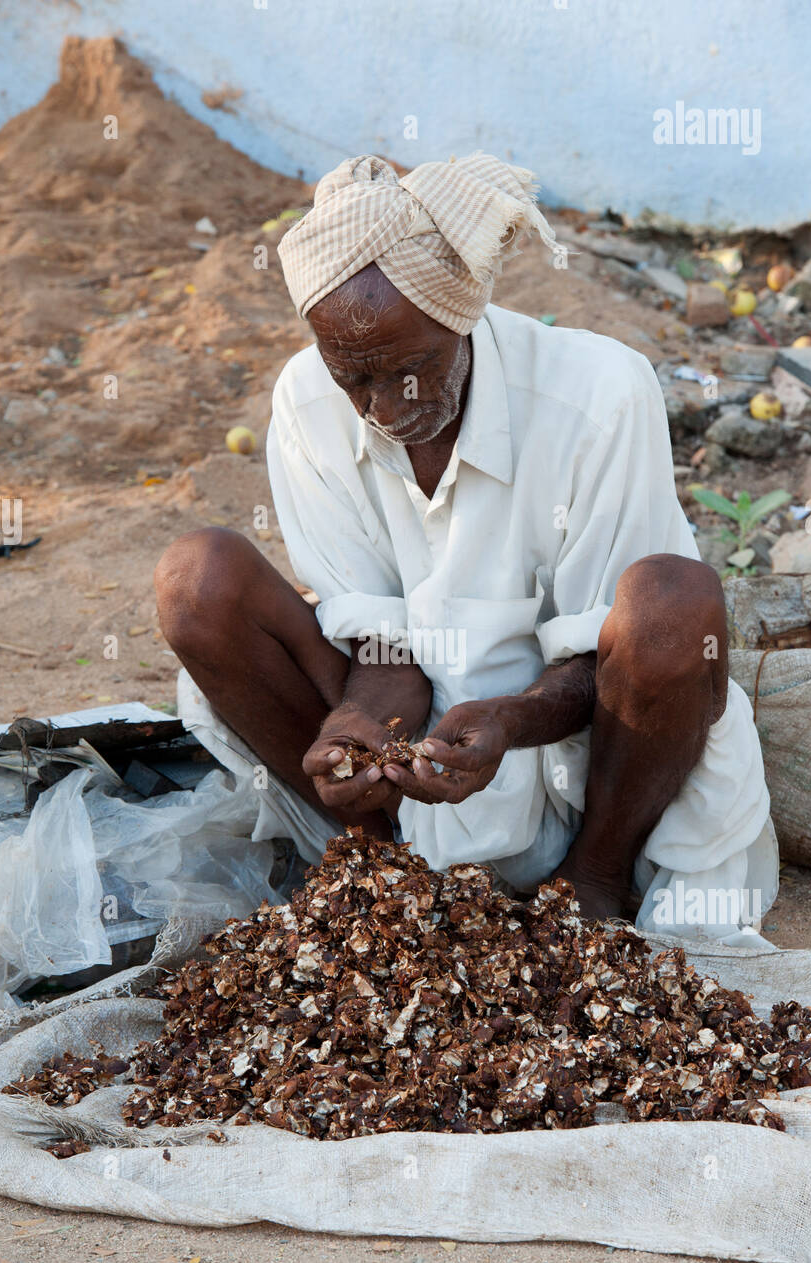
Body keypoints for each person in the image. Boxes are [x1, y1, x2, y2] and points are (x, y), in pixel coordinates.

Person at [155, 153, 777, 944]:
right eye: (354, 379)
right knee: (195, 581)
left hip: (592, 763)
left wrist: (511, 721)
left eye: (409, 371)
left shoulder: (599, 395)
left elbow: (616, 654)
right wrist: (356, 726)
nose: (381, 409)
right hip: (424, 782)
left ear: (464, 316)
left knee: (675, 601)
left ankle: (592, 883)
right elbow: (384, 639)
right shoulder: (308, 403)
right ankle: (379, 873)